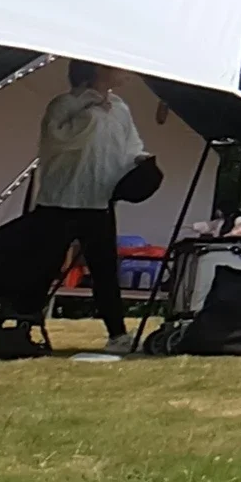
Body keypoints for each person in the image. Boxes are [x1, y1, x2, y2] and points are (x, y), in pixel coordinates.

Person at [23, 61, 150, 347]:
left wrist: (142, 162)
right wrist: (91, 112)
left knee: (105, 270)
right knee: (42, 268)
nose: (122, 69)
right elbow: (58, 139)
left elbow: (130, 146)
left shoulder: (120, 108)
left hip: (99, 201)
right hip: (60, 201)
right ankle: (21, 328)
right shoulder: (65, 104)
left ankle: (117, 334)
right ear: (95, 70)